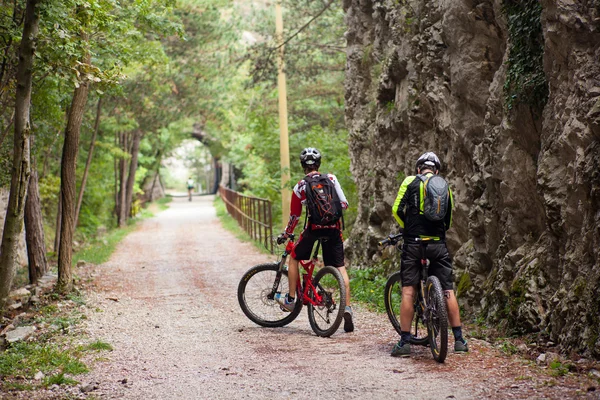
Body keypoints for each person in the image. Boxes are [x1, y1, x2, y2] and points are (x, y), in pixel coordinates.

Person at [390, 152, 468, 356]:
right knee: (448, 290)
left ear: (418, 169)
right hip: (437, 245)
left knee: (408, 292)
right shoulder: (444, 186)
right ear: (436, 171)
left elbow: (396, 209)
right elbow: (448, 220)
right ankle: (459, 340)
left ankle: (405, 343)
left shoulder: (410, 181)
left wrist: (407, 228)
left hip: (413, 245)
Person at [275, 147, 354, 332]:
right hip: (333, 230)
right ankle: (347, 308)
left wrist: (287, 233)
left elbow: (295, 216)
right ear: (319, 164)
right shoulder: (331, 179)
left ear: (303, 166)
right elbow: (344, 204)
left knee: (294, 257)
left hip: (314, 230)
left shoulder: (300, 186)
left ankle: (291, 299)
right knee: (340, 267)